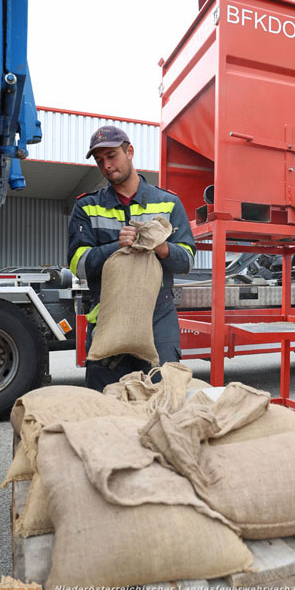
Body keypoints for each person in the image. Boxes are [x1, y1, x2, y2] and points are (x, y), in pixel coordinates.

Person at [68, 125, 196, 392]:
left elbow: (186, 261)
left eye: (112, 155)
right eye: (99, 160)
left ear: (130, 151)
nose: (106, 165)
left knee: (161, 404)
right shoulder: (86, 207)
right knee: (106, 409)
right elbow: (79, 265)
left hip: (157, 323)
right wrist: (117, 246)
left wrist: (162, 248)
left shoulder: (168, 203)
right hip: (107, 322)